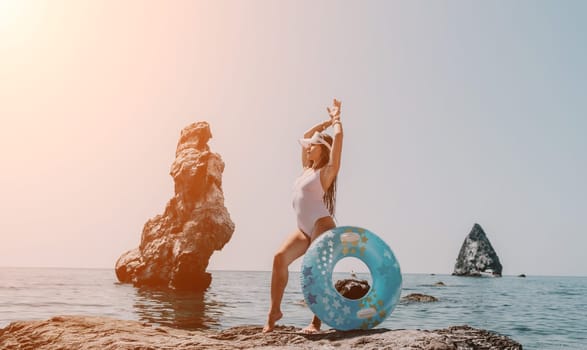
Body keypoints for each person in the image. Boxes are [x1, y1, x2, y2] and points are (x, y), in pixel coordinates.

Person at [263, 98, 344, 333]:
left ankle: (315, 322)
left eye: (313, 145)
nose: (308, 147)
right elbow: (307, 133)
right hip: (302, 228)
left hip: (321, 224)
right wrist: (326, 121)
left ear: (323, 149)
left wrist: (337, 119)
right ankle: (274, 312)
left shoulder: (327, 171)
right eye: (308, 145)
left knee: (314, 268)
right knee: (279, 258)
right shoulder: (306, 168)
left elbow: (338, 139)